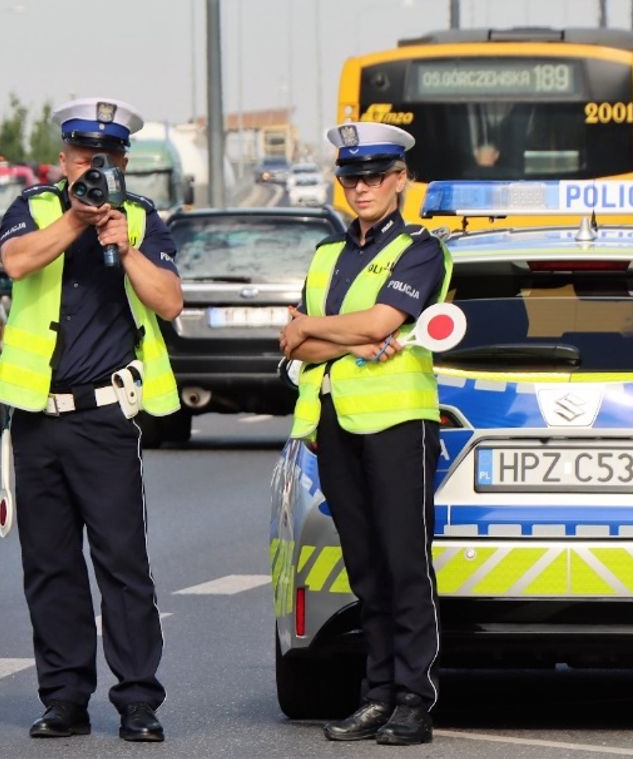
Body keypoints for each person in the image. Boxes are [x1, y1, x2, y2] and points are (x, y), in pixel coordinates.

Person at [0, 97, 183, 742]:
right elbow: (16, 263)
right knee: (49, 566)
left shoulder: (141, 220)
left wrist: (125, 249)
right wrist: (76, 220)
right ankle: (65, 697)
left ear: (124, 163)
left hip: (103, 417)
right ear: (63, 161)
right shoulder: (35, 208)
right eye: (81, 158)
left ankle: (137, 701)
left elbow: (170, 301)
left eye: (105, 160)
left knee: (123, 562)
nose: (92, 170)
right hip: (37, 421)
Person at [279, 121, 452, 746]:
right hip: (331, 420)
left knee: (405, 565)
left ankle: (413, 698)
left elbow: (382, 319)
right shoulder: (327, 255)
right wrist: (344, 335)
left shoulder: (419, 249)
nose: (362, 187)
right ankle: (376, 695)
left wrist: (324, 330)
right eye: (352, 176)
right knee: (366, 569)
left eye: (375, 176)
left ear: (400, 179)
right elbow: (294, 336)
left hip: (397, 425)